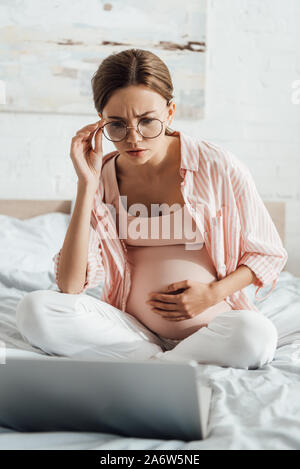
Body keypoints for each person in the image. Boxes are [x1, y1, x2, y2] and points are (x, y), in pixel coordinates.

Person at [16, 48, 288, 370]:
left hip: (212, 326)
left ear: (170, 112)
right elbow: (71, 287)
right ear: (100, 121)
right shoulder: (102, 176)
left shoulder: (218, 166)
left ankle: (151, 368)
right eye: (116, 125)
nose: (133, 138)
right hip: (130, 332)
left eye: (147, 121)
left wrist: (212, 293)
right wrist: (85, 184)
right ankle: (166, 366)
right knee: (34, 310)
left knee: (257, 336)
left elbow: (267, 255)